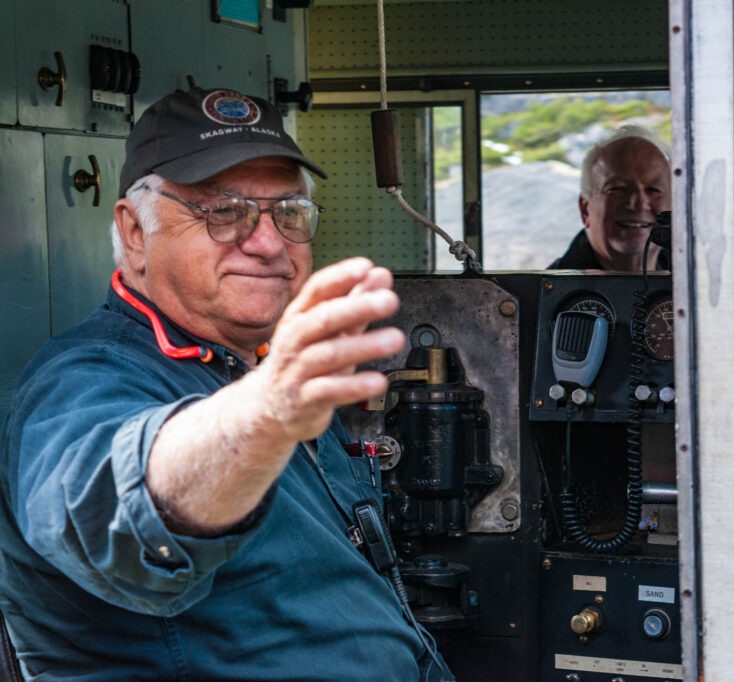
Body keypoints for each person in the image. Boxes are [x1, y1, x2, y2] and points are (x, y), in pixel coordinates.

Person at [0, 87, 452, 680]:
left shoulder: (262, 365)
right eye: (222, 211)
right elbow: (116, 507)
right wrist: (263, 414)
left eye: (288, 212)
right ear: (136, 234)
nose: (267, 242)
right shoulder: (81, 381)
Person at [549, 125, 672, 271]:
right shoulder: (542, 292)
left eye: (653, 190)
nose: (639, 204)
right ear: (584, 210)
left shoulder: (699, 286)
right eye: (618, 189)